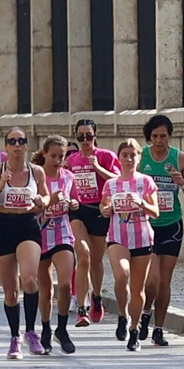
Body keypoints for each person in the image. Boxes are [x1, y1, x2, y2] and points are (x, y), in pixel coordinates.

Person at [0, 127, 49, 359]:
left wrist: (42, 200)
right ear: (6, 146)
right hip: (3, 226)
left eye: (21, 141)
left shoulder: (36, 171)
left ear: (27, 145)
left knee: (29, 278)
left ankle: (31, 331)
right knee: (11, 292)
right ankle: (14, 338)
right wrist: (0, 185)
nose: (17, 145)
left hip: (28, 224)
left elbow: (46, 197)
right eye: (12, 141)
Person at [138, 114, 184, 347]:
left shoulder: (179, 157)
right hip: (146, 224)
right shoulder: (142, 157)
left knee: (164, 281)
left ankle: (159, 328)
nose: (159, 140)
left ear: (170, 136)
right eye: (154, 136)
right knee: (151, 279)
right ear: (149, 137)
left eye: (163, 136)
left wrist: (181, 182)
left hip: (172, 225)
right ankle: (144, 312)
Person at [100, 138, 160, 351]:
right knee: (122, 275)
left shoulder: (146, 182)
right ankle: (122, 315)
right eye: (124, 155)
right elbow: (104, 205)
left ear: (139, 158)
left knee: (137, 288)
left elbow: (156, 212)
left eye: (132, 155)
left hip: (142, 238)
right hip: (118, 237)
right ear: (119, 158)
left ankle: (134, 330)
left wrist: (142, 203)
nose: (128, 159)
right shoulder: (112, 184)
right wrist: (105, 210)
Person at [65, 119, 118, 327]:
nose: (85, 140)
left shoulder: (106, 156)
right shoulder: (72, 160)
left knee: (95, 261)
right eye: (81, 136)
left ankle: (96, 296)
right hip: (78, 211)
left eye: (89, 136)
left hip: (99, 210)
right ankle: (82, 308)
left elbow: (117, 180)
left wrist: (97, 168)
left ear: (95, 135)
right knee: (83, 257)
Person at [36, 135, 78, 355]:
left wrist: (73, 203)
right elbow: (29, 207)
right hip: (40, 235)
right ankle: (45, 328)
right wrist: (46, 202)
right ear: (44, 154)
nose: (57, 160)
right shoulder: (35, 176)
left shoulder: (69, 177)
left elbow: (75, 199)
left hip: (63, 233)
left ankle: (62, 329)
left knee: (64, 285)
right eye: (53, 156)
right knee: (45, 289)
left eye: (61, 156)